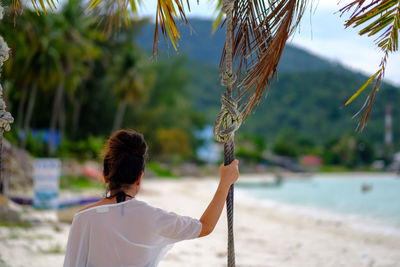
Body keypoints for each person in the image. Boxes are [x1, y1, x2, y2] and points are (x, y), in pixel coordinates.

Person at [63, 129, 239, 267]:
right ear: (140, 177)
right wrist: (225, 183)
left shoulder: (82, 219)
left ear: (104, 175)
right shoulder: (154, 217)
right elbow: (205, 227)